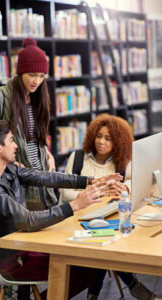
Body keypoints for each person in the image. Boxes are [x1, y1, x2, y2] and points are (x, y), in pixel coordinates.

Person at [0, 119, 109, 300]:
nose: (16, 146)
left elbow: (43, 177)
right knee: (85, 269)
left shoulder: (4, 167)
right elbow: (28, 221)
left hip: (23, 243)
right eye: (11, 140)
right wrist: (75, 205)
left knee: (81, 257)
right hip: (9, 259)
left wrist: (89, 181)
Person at [60, 114, 155, 300]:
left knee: (105, 243)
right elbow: (66, 194)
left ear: (118, 142)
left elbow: (139, 181)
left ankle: (93, 295)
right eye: (99, 136)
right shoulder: (78, 158)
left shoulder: (122, 162)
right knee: (105, 248)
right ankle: (134, 288)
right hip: (73, 222)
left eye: (108, 138)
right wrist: (103, 191)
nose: (101, 142)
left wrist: (124, 187)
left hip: (101, 221)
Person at [0, 37, 57, 211]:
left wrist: (46, 153)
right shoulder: (0, 98)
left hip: (42, 180)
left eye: (41, 76)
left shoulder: (38, 97)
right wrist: (7, 163)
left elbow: (31, 138)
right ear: (20, 72)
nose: (36, 81)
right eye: (32, 75)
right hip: (18, 184)